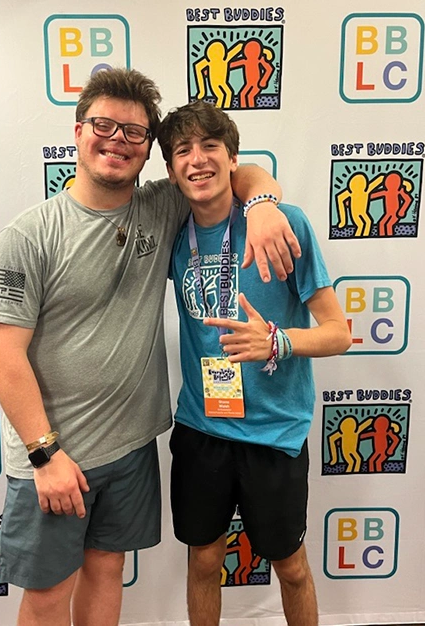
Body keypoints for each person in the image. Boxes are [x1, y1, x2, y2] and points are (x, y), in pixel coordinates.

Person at [0, 68, 295, 626]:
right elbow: (2, 351)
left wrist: (265, 202)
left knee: (105, 571)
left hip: (130, 449)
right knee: (49, 594)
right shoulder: (30, 234)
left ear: (149, 151)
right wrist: (45, 455)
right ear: (78, 132)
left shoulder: (161, 207)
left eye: (134, 133)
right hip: (54, 457)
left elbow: (234, 171)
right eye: (105, 125)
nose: (118, 141)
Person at [157, 101, 351, 626]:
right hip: (202, 429)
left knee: (290, 567)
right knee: (203, 560)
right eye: (182, 151)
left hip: (273, 433)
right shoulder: (174, 232)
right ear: (172, 170)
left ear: (232, 157)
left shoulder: (282, 224)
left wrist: (278, 342)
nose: (196, 160)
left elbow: (339, 333)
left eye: (209, 146)